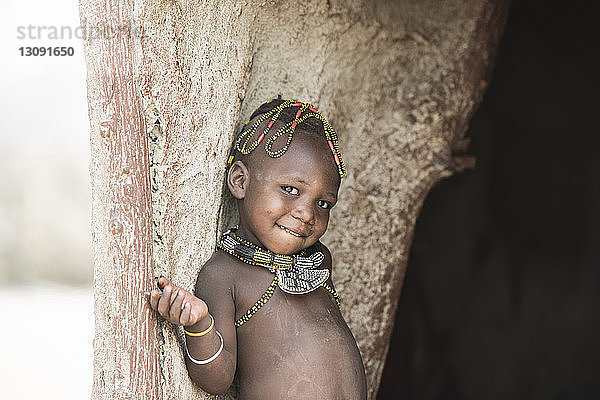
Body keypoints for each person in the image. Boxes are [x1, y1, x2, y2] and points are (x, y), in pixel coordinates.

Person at [149, 98, 367, 399]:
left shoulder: (318, 261)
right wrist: (199, 323)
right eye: (291, 190)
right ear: (240, 181)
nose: (307, 214)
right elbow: (218, 379)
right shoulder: (225, 274)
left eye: (323, 203)